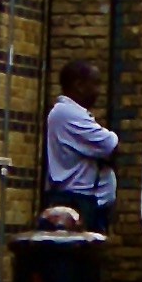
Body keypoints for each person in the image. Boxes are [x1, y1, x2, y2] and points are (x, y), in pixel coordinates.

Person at [42, 60, 119, 232]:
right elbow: (111, 146)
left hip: (88, 203)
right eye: (95, 84)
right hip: (76, 202)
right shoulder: (66, 113)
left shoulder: (75, 113)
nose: (99, 91)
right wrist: (107, 146)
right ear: (79, 85)